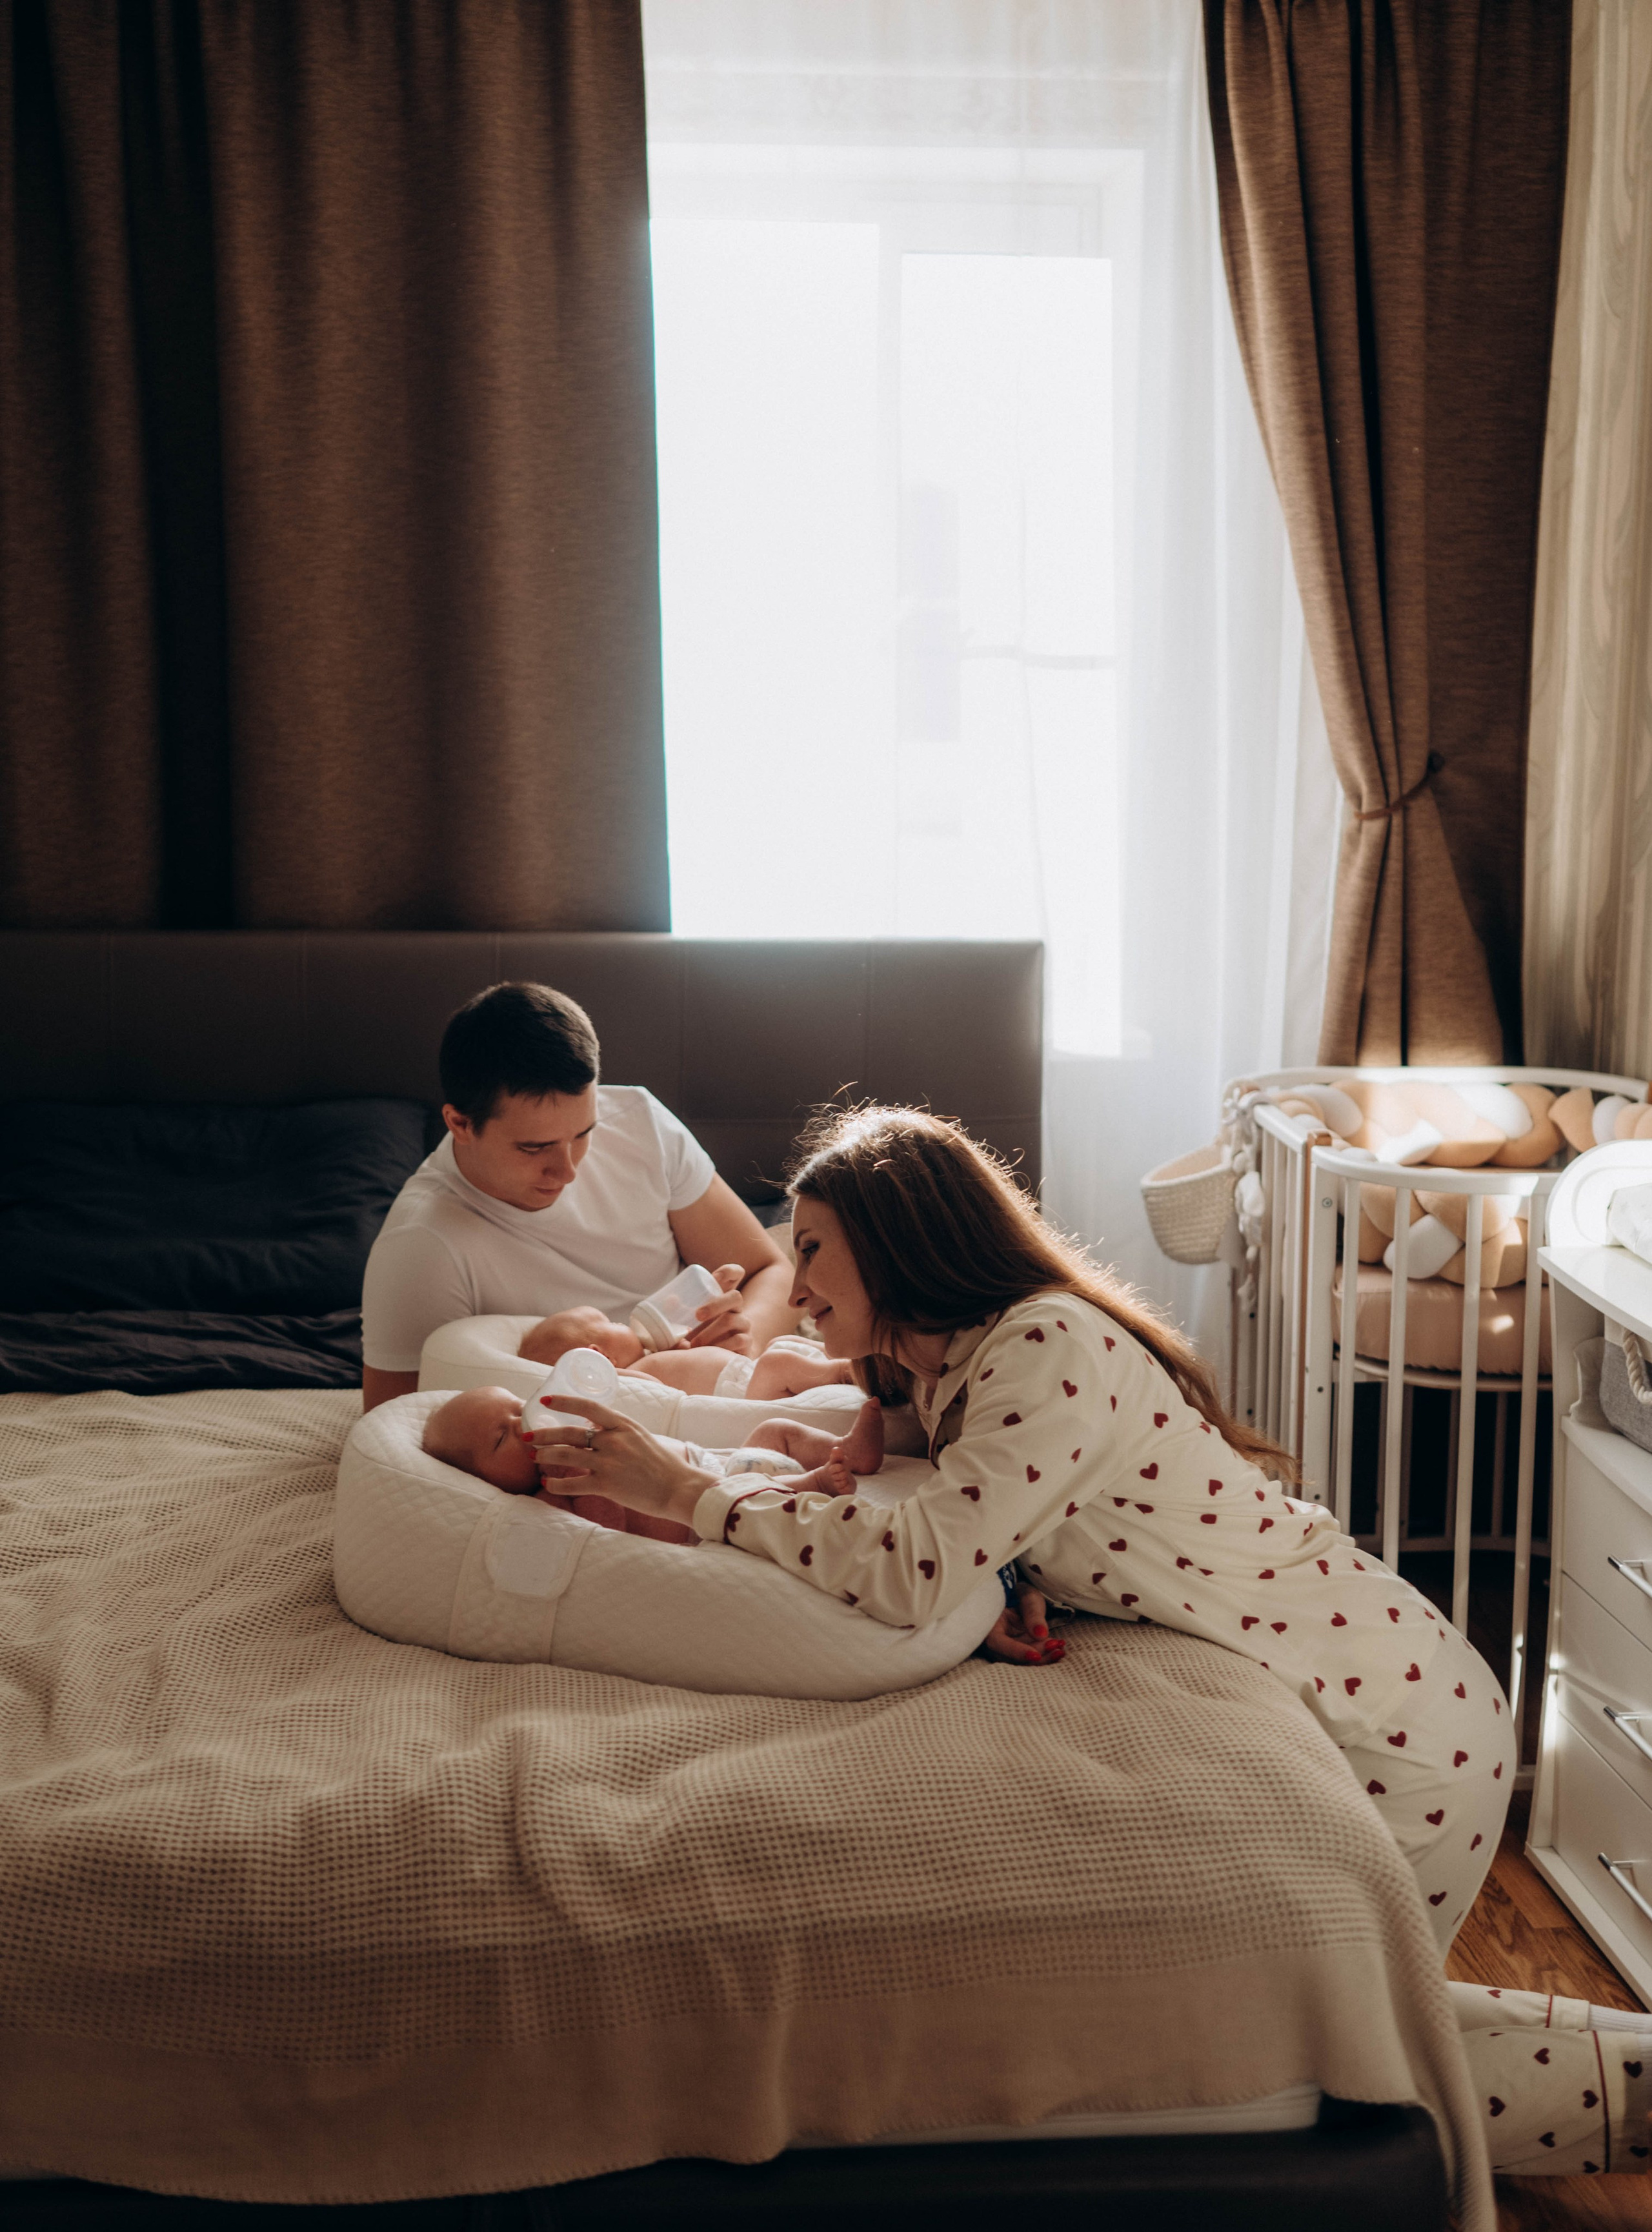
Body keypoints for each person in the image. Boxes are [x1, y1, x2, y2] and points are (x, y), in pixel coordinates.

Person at [529, 1103, 1652, 2180]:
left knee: (1351, 2048)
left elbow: (915, 1567)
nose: (796, 1279)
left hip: (1397, 1723)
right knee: (1344, 2030)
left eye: (813, 1249)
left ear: (896, 1243)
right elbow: (993, 1499)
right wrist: (988, 1544)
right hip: (1364, 1688)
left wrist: (687, 1493)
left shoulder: (1046, 1347)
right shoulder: (953, 1356)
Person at [359, 982, 796, 1412]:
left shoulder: (639, 1123)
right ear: (460, 1125)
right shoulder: (421, 1247)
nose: (568, 1170)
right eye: (534, 1148)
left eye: (584, 1133)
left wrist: (742, 1343)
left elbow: (769, 1269)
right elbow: (395, 1423)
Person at [421, 1382, 884, 1543]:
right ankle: (814, 1483)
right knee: (753, 1494)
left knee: (774, 1431)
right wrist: (577, 1478)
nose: (522, 1424)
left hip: (716, 1460)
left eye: (519, 1408)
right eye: (503, 1436)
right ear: (489, 1484)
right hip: (710, 1505)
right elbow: (608, 1529)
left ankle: (846, 1449)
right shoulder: (552, 1499)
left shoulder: (575, 1435)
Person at [518, 1302, 856, 1402]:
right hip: (746, 1394)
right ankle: (845, 1371)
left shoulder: (653, 1359)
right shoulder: (629, 1378)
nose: (623, 1323)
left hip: (745, 1374)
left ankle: (834, 1361)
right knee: (776, 1362)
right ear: (600, 1357)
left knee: (780, 1346)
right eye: (611, 1323)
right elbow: (657, 1391)